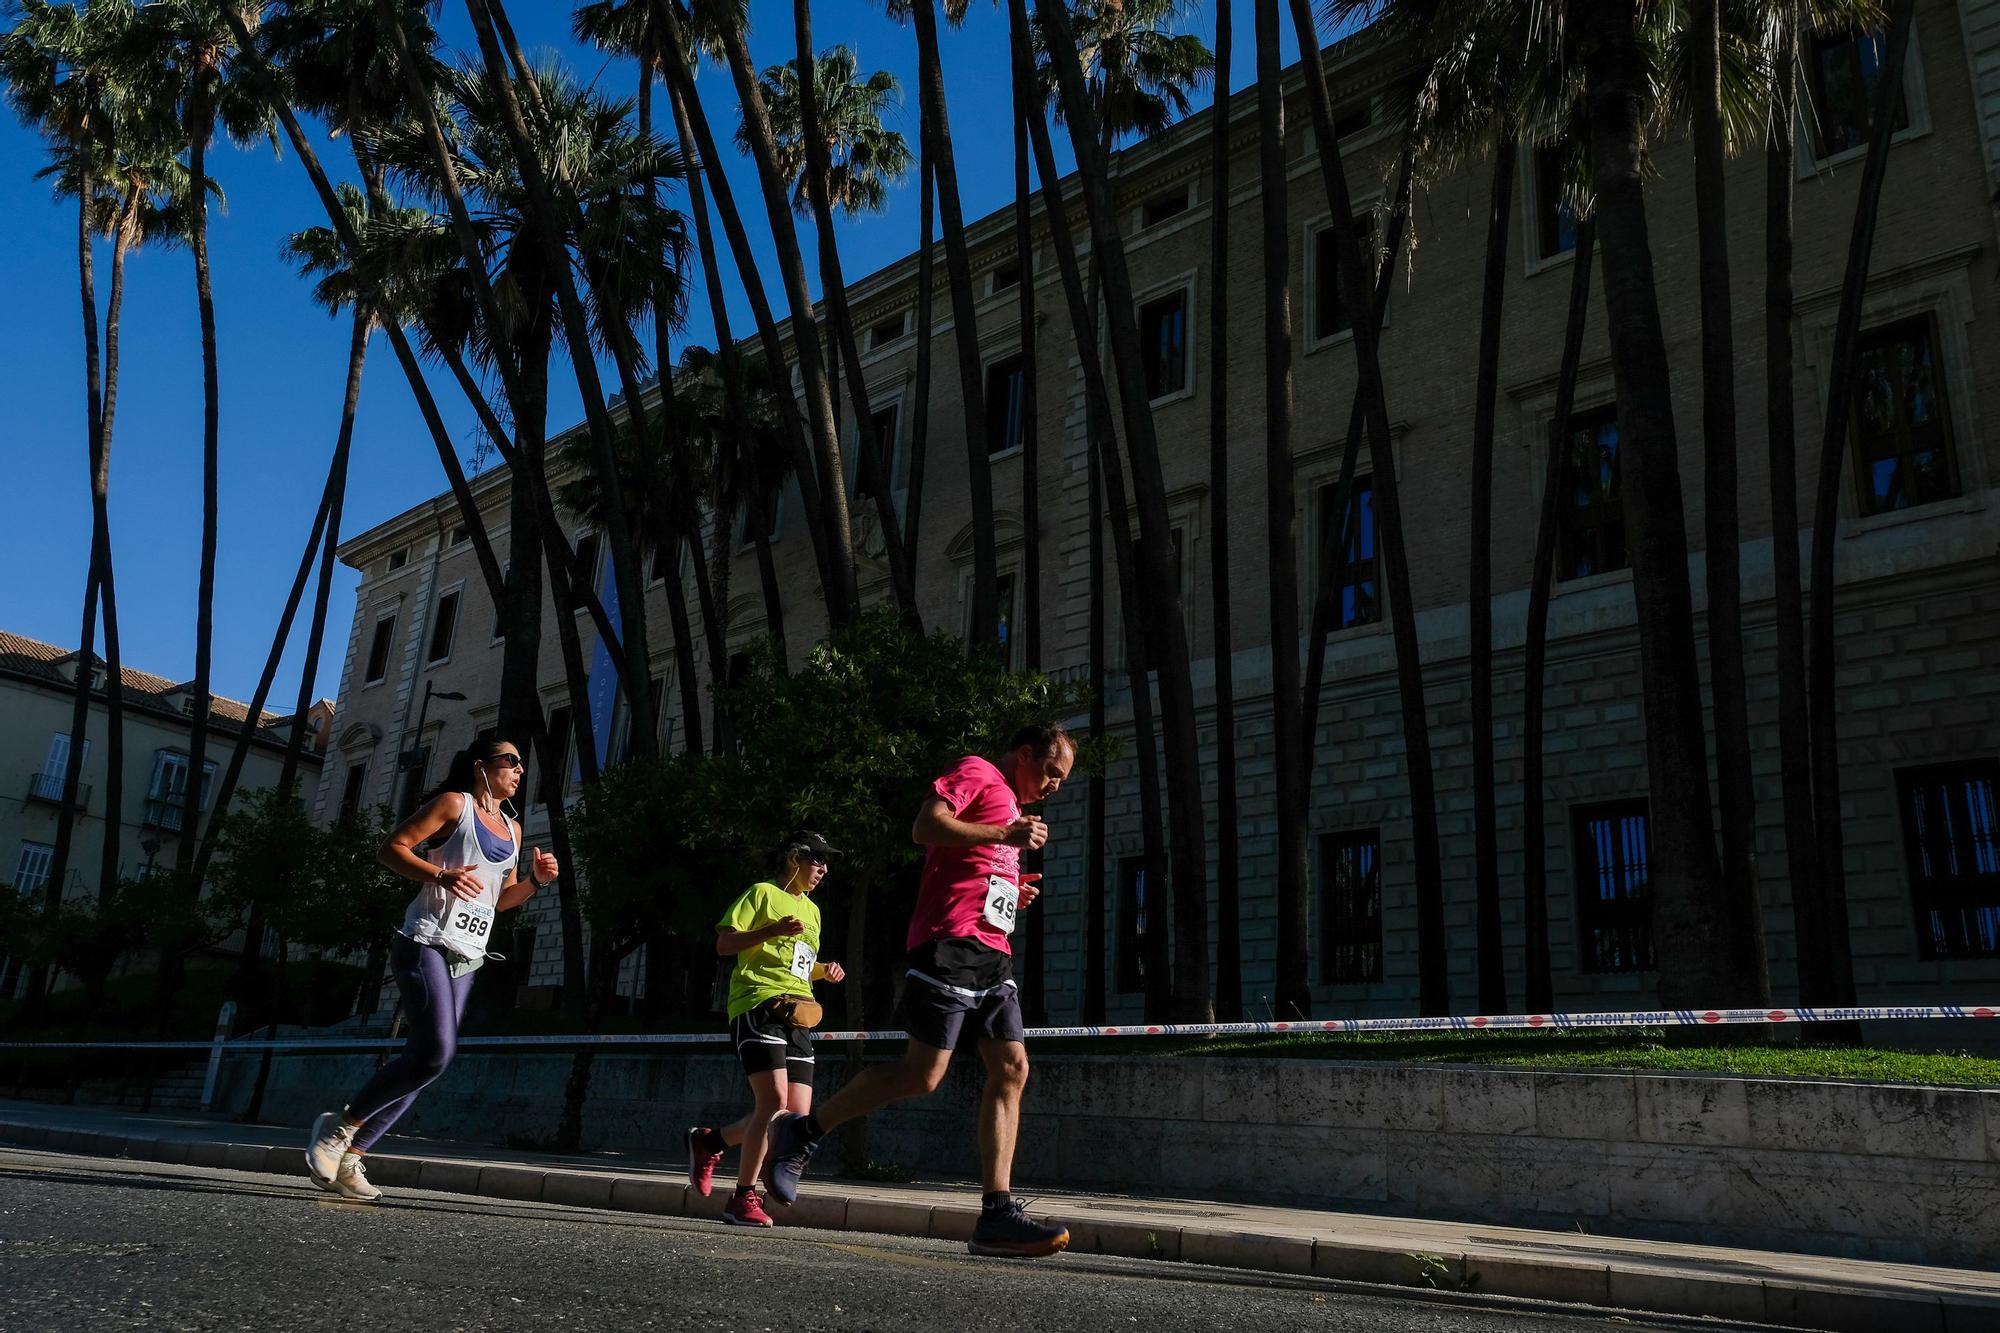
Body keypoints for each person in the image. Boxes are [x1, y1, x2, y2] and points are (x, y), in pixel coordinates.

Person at [761, 723, 1075, 1258]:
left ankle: (996, 1215)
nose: (1055, 786)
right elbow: (926, 826)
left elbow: (975, 866)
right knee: (921, 1076)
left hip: (992, 951)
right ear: (1024, 754)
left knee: (1013, 1068)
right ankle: (804, 1131)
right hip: (947, 943)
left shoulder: (1012, 809)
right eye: (1051, 772)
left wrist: (1008, 889)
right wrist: (1005, 836)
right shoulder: (977, 771)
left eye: (1062, 780)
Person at [302, 736, 557, 1201]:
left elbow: (500, 901)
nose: (520, 770)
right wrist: (440, 874)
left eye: (523, 764)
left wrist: (536, 882)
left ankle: (354, 1155)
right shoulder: (453, 805)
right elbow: (390, 849)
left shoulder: (514, 831)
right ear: (482, 766)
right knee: (435, 1050)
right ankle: (338, 1129)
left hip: (468, 954)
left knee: (429, 1061)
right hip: (424, 941)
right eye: (511, 761)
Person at [686, 830, 846, 1227]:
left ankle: (709, 1142)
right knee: (772, 1101)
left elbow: (801, 963)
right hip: (756, 1003)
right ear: (794, 857)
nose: (823, 869)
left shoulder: (813, 911)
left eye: (827, 862)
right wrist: (770, 931)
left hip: (799, 1011)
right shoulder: (760, 893)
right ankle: (742, 1198)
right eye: (817, 860)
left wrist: (826, 971)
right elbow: (724, 946)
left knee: (794, 1117)